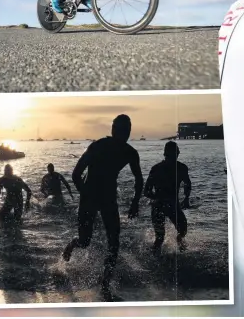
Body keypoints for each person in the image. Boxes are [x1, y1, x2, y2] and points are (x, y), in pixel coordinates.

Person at [62, 113, 143, 300]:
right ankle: (71, 246)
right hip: (89, 197)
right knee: (85, 241)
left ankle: (105, 285)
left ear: (129, 132)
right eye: (120, 130)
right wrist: (85, 194)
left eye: (126, 131)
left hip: (108, 199)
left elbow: (139, 179)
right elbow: (76, 174)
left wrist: (135, 202)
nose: (123, 134)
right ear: (113, 130)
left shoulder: (130, 153)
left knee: (114, 243)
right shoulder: (97, 146)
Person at [144, 141, 191, 252]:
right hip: (161, 205)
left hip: (167, 205)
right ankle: (157, 259)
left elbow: (187, 184)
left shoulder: (180, 168)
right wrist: (158, 198)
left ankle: (178, 243)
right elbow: (146, 191)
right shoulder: (158, 169)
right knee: (163, 237)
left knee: (179, 232)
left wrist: (186, 198)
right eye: (174, 153)